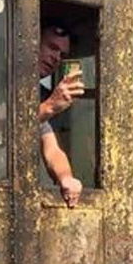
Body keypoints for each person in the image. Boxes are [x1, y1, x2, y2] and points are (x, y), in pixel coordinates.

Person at [37, 20, 85, 207]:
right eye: (51, 47)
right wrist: (49, 106)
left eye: (61, 54)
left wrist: (66, 178)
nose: (56, 57)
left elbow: (52, 149)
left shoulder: (38, 94)